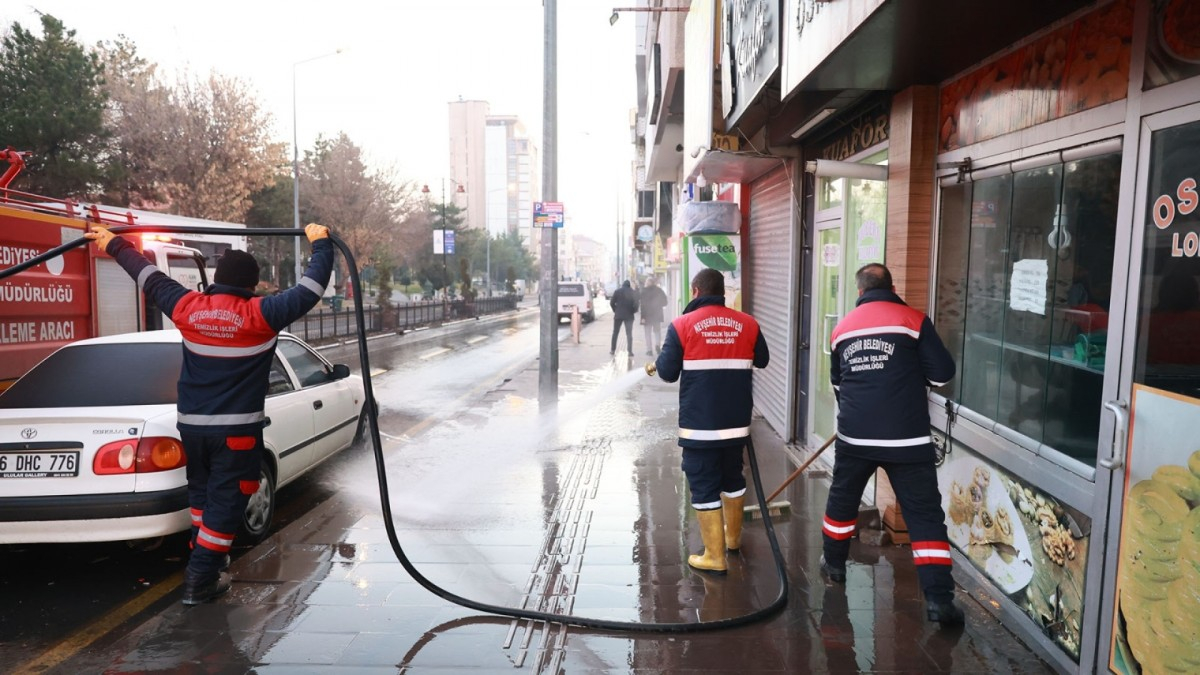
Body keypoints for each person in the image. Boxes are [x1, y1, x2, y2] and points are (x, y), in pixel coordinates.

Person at [84, 223, 334, 605]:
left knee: (201, 499)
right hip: (236, 433)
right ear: (252, 285)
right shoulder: (261, 314)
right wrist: (321, 244)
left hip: (193, 429)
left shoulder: (187, 307)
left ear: (215, 281)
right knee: (227, 502)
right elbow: (311, 289)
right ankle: (200, 578)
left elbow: (148, 276)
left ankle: (210, 563)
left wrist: (113, 243)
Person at [821, 263, 963, 626]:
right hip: (907, 439)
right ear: (892, 286)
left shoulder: (841, 329)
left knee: (842, 501)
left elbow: (839, 385)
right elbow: (943, 374)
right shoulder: (914, 321)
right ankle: (938, 601)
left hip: (855, 437)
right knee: (924, 517)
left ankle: (834, 566)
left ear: (859, 292)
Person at [653, 268, 769, 574]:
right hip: (737, 425)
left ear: (695, 291)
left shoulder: (682, 325)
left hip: (700, 426)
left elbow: (667, 373)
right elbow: (763, 359)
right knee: (733, 478)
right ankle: (732, 540)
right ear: (723, 292)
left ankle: (714, 557)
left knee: (703, 484)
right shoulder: (748, 323)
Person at [639, 276, 669, 356]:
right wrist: (658, 305)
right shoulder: (659, 290)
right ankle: (657, 345)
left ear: (646, 283)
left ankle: (649, 350)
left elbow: (643, 306)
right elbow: (665, 302)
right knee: (657, 332)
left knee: (647, 333)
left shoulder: (644, 291)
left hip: (647, 316)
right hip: (657, 315)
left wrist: (642, 318)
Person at [609, 279, 639, 356]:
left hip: (618, 315)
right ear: (629, 285)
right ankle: (630, 351)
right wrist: (633, 311)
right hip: (629, 316)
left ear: (622, 285)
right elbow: (636, 304)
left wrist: (615, 310)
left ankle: (612, 350)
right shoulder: (632, 292)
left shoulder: (617, 291)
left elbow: (612, 302)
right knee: (629, 334)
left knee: (615, 333)